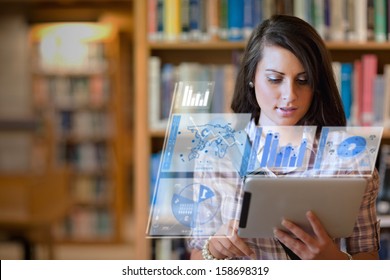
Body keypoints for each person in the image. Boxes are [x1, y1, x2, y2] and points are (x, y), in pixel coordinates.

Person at [187, 14, 380, 260]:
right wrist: (213, 248)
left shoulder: (352, 159)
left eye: (303, 80)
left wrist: (334, 263)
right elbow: (195, 262)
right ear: (251, 77)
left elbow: (369, 261)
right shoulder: (215, 155)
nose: (289, 95)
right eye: (274, 79)